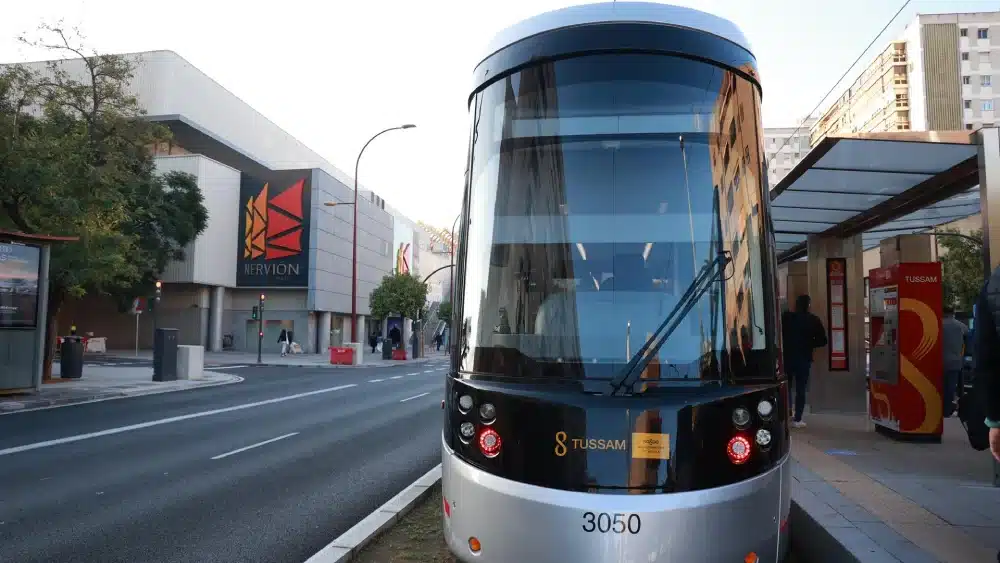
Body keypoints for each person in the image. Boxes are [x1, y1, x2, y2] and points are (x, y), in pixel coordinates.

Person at [781, 294, 828, 428]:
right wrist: (810, 343)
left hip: (787, 357)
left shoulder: (787, 318)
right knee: (801, 389)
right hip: (804, 358)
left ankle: (787, 414)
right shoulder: (813, 320)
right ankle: (798, 419)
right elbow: (822, 340)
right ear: (808, 305)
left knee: (786, 387)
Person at [941, 306, 969, 418]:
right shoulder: (960, 325)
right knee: (950, 388)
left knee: (939, 387)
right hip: (955, 362)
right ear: (953, 313)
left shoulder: (938, 324)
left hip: (939, 362)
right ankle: (947, 411)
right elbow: (968, 335)